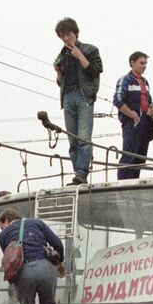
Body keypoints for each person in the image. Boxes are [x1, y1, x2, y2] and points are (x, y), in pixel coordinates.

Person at [51, 18, 104, 184]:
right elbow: (61, 82)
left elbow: (95, 71)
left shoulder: (90, 49)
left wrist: (80, 56)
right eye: (62, 36)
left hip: (84, 96)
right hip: (67, 96)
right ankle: (78, 172)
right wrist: (59, 73)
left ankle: (82, 171)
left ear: (75, 33)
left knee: (83, 136)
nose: (66, 39)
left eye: (68, 34)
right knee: (72, 138)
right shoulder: (62, 55)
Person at [111, 51, 153, 180]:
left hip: (146, 121)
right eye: (141, 63)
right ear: (132, 62)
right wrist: (131, 114)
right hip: (132, 121)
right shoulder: (125, 79)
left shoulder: (145, 81)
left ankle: (134, 181)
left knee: (140, 157)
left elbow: (147, 99)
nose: (144, 66)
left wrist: (152, 107)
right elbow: (118, 99)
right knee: (129, 154)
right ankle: (124, 183)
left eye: (146, 63)